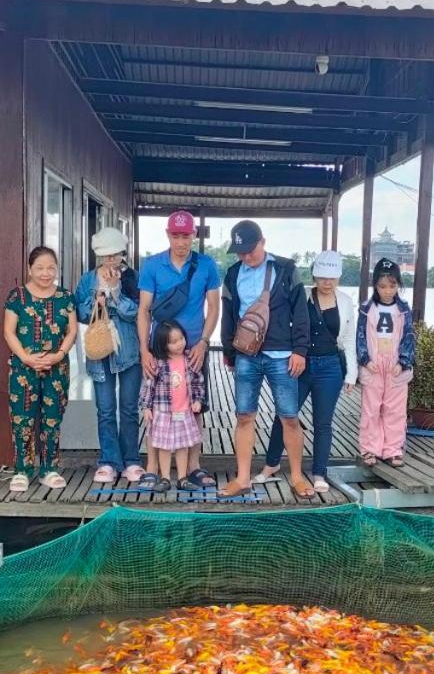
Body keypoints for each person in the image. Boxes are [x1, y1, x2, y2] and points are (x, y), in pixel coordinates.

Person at [219, 220, 313, 499]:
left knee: (290, 417)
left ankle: (296, 477)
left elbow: (301, 312)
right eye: (240, 252)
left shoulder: (286, 269)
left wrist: (300, 351)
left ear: (263, 242)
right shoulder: (233, 273)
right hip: (246, 354)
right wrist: (228, 351)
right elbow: (228, 314)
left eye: (250, 250)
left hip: (282, 355)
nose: (246, 256)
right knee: (244, 416)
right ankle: (243, 477)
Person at [255, 251, 358, 494]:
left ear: (339, 277)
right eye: (322, 276)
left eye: (332, 277)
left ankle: (319, 471)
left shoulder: (344, 301)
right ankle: (271, 464)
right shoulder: (303, 296)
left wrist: (351, 374)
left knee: (323, 422)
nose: (327, 282)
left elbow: (350, 340)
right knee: (286, 416)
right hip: (301, 363)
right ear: (314, 275)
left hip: (331, 366)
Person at [137, 210, 221, 491]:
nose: (181, 241)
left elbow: (214, 307)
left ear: (193, 235)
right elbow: (144, 311)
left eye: (186, 235)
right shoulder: (152, 265)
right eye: (176, 235)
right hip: (159, 349)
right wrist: (145, 350)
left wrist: (204, 341)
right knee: (156, 408)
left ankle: (193, 468)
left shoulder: (207, 265)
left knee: (195, 407)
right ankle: (152, 468)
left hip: (194, 347)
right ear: (168, 235)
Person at [3, 246, 78, 492]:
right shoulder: (17, 297)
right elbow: (9, 332)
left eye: (51, 268)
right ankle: (22, 470)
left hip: (57, 368)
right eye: (40, 268)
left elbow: (72, 331)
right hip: (24, 368)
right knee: (22, 418)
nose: (46, 273)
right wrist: (26, 357)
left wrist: (59, 354)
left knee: (52, 418)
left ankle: (49, 468)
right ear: (29, 269)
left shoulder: (66, 297)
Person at [76, 227, 144, 486]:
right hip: (99, 353)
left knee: (128, 409)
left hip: (129, 352)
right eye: (106, 256)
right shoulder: (87, 280)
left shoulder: (133, 278)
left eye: (115, 255)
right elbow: (81, 314)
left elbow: (137, 313)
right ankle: (108, 461)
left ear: (122, 254)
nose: (111, 261)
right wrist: (96, 301)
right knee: (105, 410)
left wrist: (115, 294)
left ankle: (132, 461)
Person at [356, 258, 416, 468]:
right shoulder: (366, 308)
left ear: (398, 285)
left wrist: (403, 361)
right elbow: (360, 336)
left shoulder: (404, 309)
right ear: (375, 286)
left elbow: (409, 336)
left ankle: (392, 449)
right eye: (382, 286)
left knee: (395, 409)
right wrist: (364, 359)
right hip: (373, 363)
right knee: (371, 408)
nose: (387, 291)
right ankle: (369, 449)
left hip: (395, 365)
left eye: (392, 286)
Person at [139, 319, 205, 491]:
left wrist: (198, 400)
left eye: (181, 338)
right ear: (163, 344)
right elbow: (149, 384)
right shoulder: (159, 362)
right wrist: (146, 407)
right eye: (173, 342)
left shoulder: (189, 359)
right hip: (163, 412)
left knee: (183, 445)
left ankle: (182, 478)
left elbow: (198, 381)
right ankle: (165, 477)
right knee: (164, 446)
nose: (179, 344)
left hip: (184, 410)